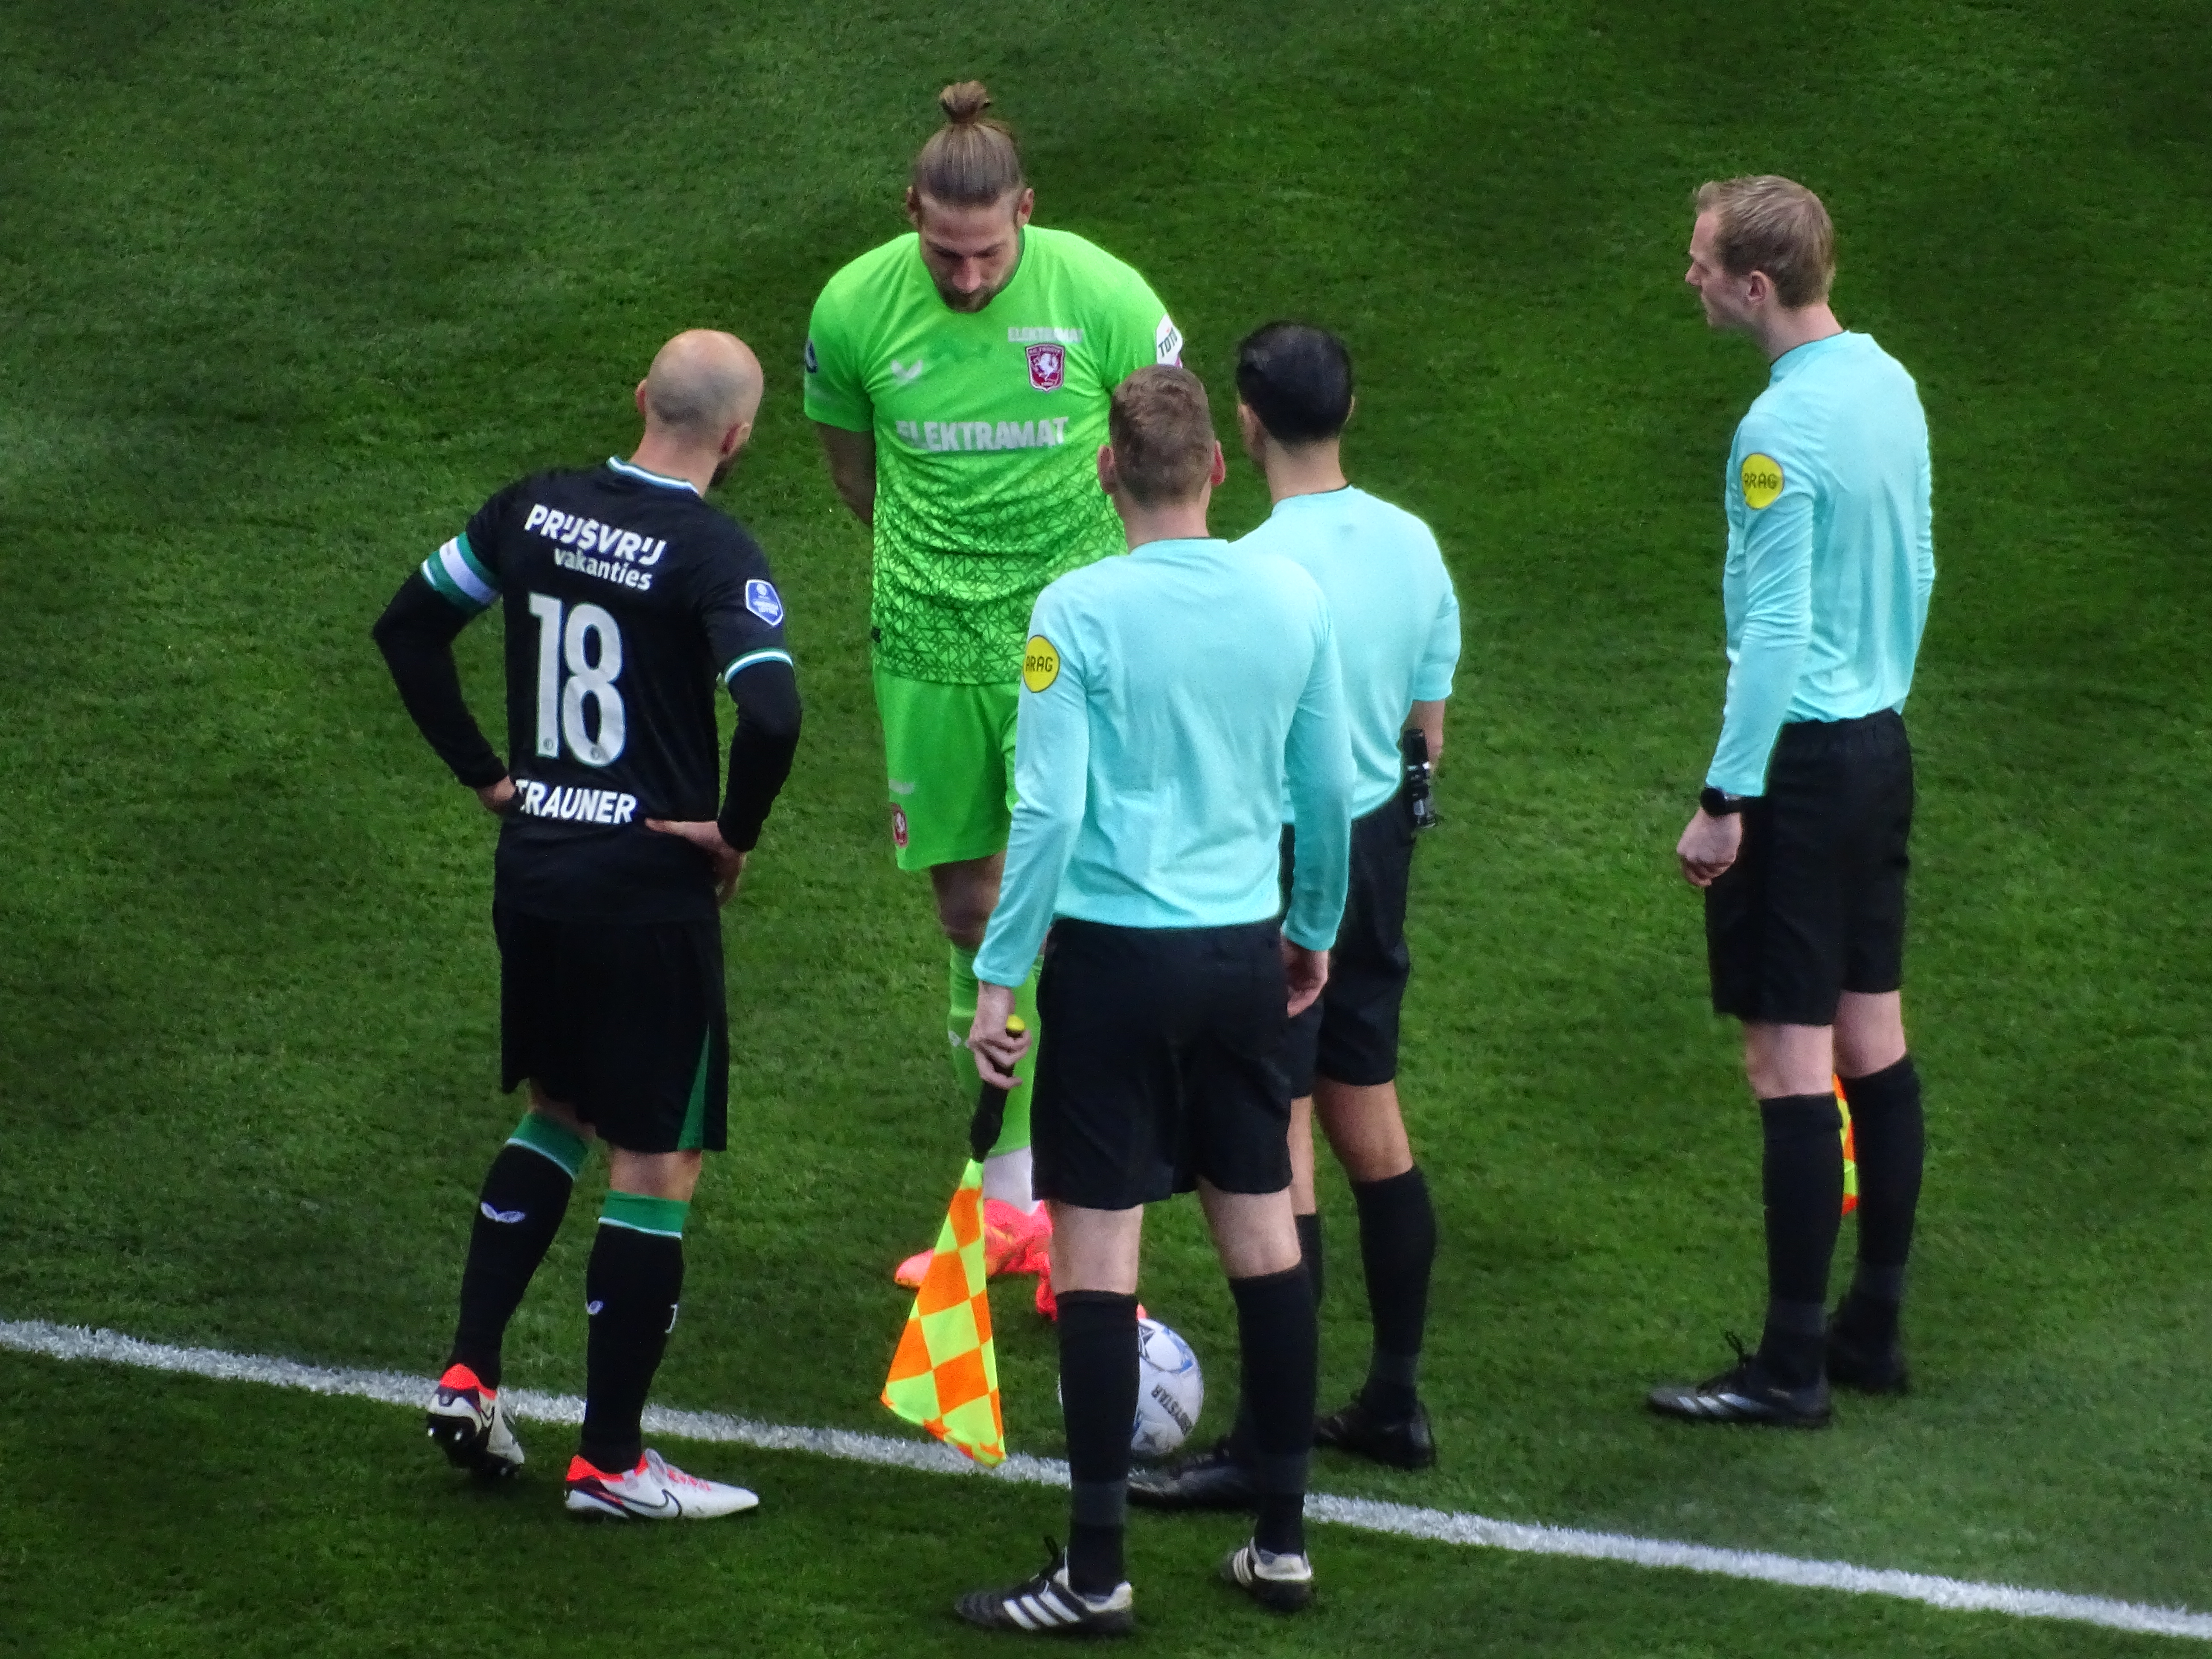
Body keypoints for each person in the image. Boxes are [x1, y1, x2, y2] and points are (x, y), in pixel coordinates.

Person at [950, 366, 1355, 1635]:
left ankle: (1096, 1574)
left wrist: (998, 975)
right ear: (1218, 471)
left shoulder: (1075, 610)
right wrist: (1311, 933)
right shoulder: (1290, 597)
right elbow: (1327, 790)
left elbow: (1049, 810)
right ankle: (1281, 1544)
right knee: (1265, 1236)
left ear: (1106, 474)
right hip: (1241, 959)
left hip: (1116, 965)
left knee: (1097, 1251)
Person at [371, 330, 801, 1516]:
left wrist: (487, 775)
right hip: (645, 895)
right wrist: (734, 833)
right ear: (739, 436)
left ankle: (470, 1371)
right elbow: (771, 713)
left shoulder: (534, 508)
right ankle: (610, 1463)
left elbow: (408, 627)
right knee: (657, 1158)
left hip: (538, 872)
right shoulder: (714, 553)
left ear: (640, 398)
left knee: (558, 1108)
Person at [804, 81, 1185, 1304]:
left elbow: (1173, 458)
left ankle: (1090, 1207)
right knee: (973, 913)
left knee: (1085, 916)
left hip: (1072, 642)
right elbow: (855, 476)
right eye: (944, 255)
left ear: (1027, 211)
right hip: (929, 642)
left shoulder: (1103, 297)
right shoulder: (852, 309)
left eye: (986, 255)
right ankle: (1013, 1204)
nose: (967, 279)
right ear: (911, 214)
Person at [1130, 323, 1459, 1516]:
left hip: (1283, 862)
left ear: (1247, 424)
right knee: (1372, 1109)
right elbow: (1427, 732)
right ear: (1349, 409)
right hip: (1378, 845)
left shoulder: (1256, 569)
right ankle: (1395, 1399)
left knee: (1283, 1136)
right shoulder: (1414, 543)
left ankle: (1271, 1448)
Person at [1648, 178, 1934, 1428]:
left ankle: (1791, 1366)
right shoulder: (1889, 381)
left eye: (1703, 262)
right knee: (1875, 1040)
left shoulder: (1776, 434)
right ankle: (1872, 1329)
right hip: (1879, 747)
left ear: (1755, 286)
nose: (1691, 278)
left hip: (1804, 769)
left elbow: (1773, 631)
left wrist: (1727, 796)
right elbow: (1919, 557)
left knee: (1790, 1062)